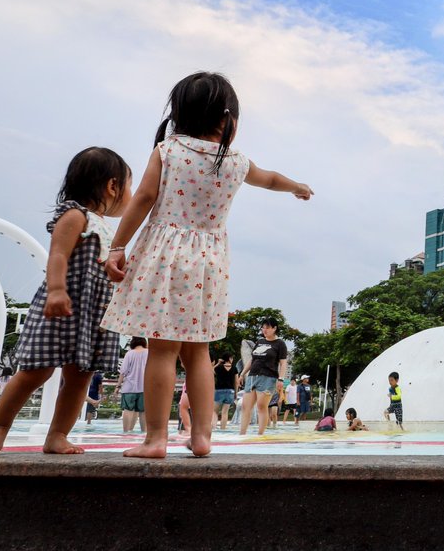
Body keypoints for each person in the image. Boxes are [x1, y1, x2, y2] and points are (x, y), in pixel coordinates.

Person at [102, 72, 312, 458]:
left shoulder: (168, 151)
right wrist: (296, 185)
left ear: (181, 113)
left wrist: (118, 247)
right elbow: (269, 179)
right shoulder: (237, 162)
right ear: (228, 119)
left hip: (166, 256)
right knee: (199, 351)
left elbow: (145, 197)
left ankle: (155, 439)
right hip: (209, 263)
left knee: (162, 351)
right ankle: (202, 438)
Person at [0, 148, 132, 454]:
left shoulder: (105, 226)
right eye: (129, 185)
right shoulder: (76, 216)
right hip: (62, 307)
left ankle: (57, 434)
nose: (131, 193)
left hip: (92, 313)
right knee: (36, 370)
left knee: (80, 377)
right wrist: (57, 290)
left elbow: (99, 264)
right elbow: (58, 255)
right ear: (112, 186)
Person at [239, 319, 289, 437]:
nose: (264, 330)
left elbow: (283, 363)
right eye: (263, 328)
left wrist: (281, 379)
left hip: (268, 377)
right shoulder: (260, 341)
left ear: (274, 328)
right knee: (246, 406)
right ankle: (242, 434)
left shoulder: (280, 344)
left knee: (262, 406)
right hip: (252, 376)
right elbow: (252, 360)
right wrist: (242, 373)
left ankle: (260, 434)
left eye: (267, 327)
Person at [116, 337, 148, 432]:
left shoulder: (129, 354)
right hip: (144, 387)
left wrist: (118, 386)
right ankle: (144, 433)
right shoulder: (149, 353)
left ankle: (125, 432)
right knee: (143, 411)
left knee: (128, 410)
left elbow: (123, 372)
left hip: (129, 387)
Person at [213, 354, 237, 430]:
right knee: (225, 412)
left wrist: (218, 363)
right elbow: (236, 382)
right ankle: (223, 429)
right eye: (232, 358)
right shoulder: (234, 368)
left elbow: (210, 370)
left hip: (219, 390)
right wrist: (236, 393)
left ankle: (213, 428)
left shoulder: (218, 368)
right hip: (230, 391)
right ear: (229, 358)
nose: (232, 359)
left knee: (215, 412)